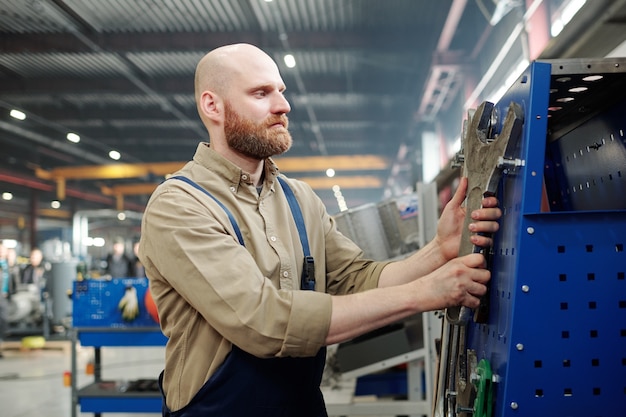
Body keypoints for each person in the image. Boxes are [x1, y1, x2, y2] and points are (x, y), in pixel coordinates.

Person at [138, 43, 501, 416]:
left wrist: (439, 249)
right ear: (212, 106)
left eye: (281, 91)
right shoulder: (179, 205)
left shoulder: (299, 198)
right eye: (261, 93)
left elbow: (357, 279)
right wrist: (426, 293)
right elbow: (263, 321)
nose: (283, 106)